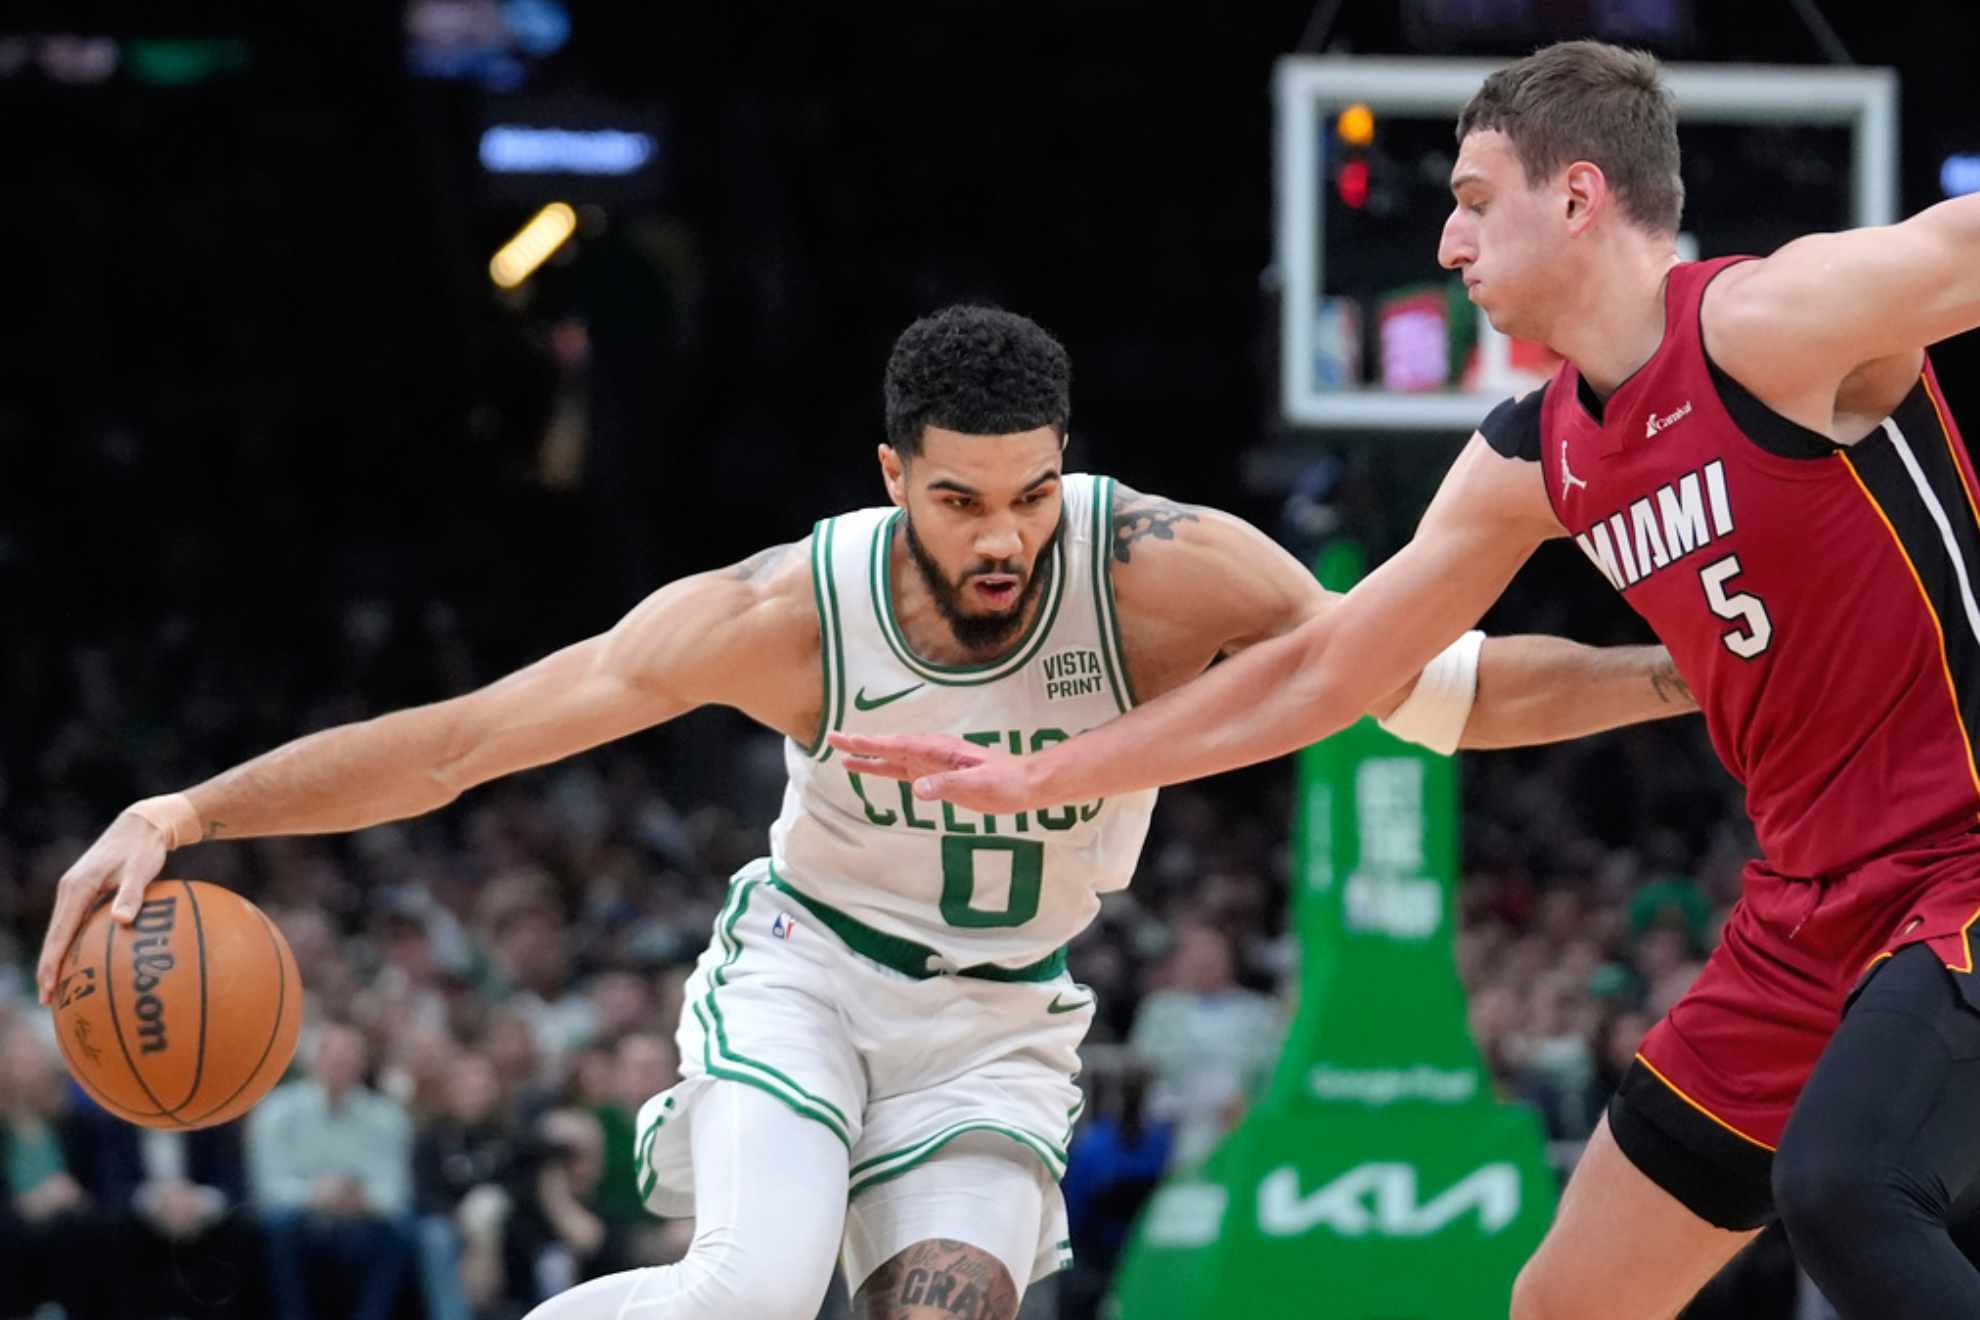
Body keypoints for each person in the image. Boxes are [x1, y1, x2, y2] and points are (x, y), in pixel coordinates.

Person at [36, 304, 1695, 1320]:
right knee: (749, 1292)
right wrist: (187, 810)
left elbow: (1456, 695)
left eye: (1034, 494)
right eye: (962, 496)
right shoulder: (781, 611)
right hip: (809, 979)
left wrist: (1692, 675)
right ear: (893, 474)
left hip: (1000, 1023)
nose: (1003, 536)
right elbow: (470, 743)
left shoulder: (1170, 574)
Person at [832, 43, 1980, 1320]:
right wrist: (1047, 770)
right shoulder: (1533, 455)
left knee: (1849, 1189)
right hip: (1805, 909)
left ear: (1580, 196)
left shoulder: (1773, 321)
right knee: (1569, 1303)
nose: (1447, 241)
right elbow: (1331, 669)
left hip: (1966, 862)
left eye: (1476, 199)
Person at [248, 1022, 417, 1320]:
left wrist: (361, 1200)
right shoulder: (276, 1111)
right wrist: (315, 1194)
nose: (340, 1066)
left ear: (362, 1065)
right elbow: (267, 1187)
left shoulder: (387, 1116)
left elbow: (395, 1190)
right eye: (332, 1058)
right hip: (300, 1216)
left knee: (399, 1229)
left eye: (349, 1059)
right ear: (313, 1062)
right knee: (277, 1226)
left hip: (363, 1219)